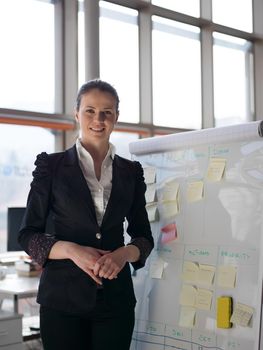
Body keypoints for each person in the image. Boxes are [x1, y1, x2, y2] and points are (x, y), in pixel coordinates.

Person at [18, 79, 154, 350]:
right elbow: (27, 235)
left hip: (116, 300)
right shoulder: (51, 166)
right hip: (62, 301)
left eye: (107, 112)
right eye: (90, 110)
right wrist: (71, 250)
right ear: (77, 113)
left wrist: (123, 254)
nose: (98, 119)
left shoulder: (131, 172)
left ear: (116, 117)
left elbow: (144, 238)